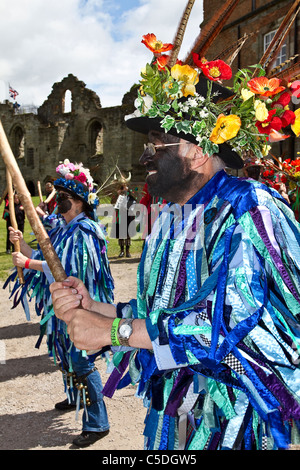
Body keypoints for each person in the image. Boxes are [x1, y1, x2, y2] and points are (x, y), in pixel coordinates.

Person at [50, 38, 300, 450]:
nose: (145, 157)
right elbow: (166, 311)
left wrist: (113, 330)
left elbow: (220, 322)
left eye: (156, 144)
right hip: (179, 413)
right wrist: (98, 307)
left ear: (198, 153)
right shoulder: (170, 217)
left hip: (238, 419)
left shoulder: (248, 207)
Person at [6, 159, 114, 448]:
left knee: (81, 361)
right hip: (63, 306)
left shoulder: (86, 231)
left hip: (82, 306)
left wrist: (28, 262)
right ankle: (73, 396)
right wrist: (22, 245)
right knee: (65, 356)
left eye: (64, 199)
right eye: (58, 198)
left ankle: (97, 423)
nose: (58, 203)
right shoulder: (63, 228)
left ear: (80, 203)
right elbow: (47, 256)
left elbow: (64, 269)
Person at [111, 173, 136, 258]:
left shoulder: (130, 192)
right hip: (120, 215)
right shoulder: (117, 194)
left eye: (124, 186)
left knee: (128, 233)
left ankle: (128, 251)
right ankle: (121, 251)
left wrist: (128, 192)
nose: (123, 187)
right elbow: (112, 202)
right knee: (121, 233)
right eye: (122, 186)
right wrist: (118, 194)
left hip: (128, 215)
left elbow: (134, 200)